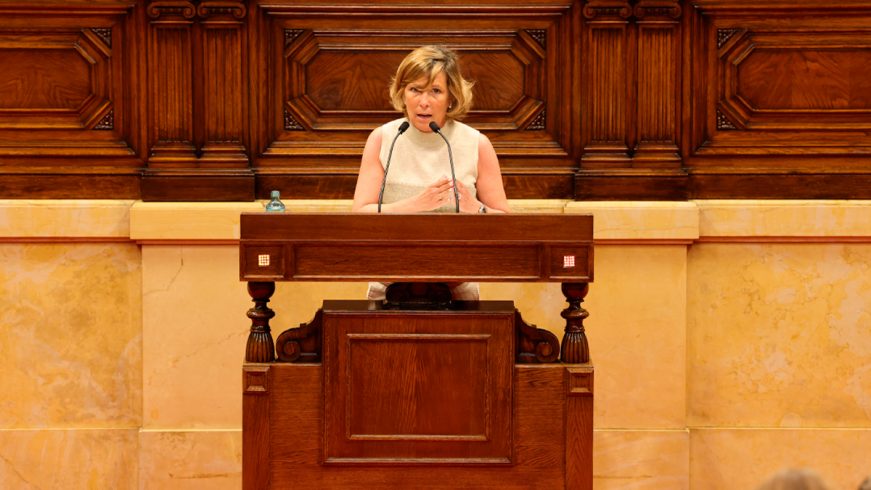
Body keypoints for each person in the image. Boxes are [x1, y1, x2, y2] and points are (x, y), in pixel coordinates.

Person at [352, 45, 509, 301]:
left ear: (451, 97)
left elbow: (506, 224)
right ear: (403, 94)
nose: (423, 102)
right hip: (389, 282)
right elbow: (360, 214)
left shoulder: (476, 144)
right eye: (415, 89)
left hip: (457, 285)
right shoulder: (383, 139)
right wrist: (415, 204)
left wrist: (475, 208)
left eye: (435, 91)